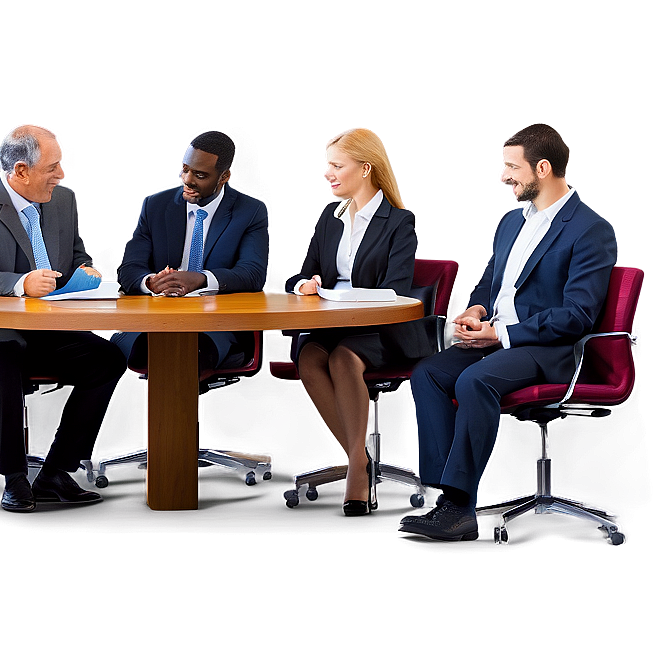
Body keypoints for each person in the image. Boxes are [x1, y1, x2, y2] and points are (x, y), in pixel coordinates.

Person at [400, 123, 618, 541]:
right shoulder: (510, 222)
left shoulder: (591, 229)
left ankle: (459, 509)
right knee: (428, 373)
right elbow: (492, 281)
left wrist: (501, 336)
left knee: (474, 379)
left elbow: (578, 316)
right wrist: (479, 310)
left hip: (549, 349)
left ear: (542, 167)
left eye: (511, 166)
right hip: (497, 337)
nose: (504, 176)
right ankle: (441, 495)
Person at [0, 124, 127, 512]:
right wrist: (20, 283)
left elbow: (77, 253)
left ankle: (56, 472)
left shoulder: (63, 201)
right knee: (5, 351)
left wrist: (87, 271)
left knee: (108, 359)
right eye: (53, 167)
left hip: (50, 326)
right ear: (21, 171)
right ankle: (13, 477)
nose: (60, 176)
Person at [286, 127, 433, 516]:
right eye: (327, 165)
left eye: (336, 165)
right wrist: (306, 284)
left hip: (379, 329)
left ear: (366, 168)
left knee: (342, 359)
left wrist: (343, 296)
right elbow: (300, 274)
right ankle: (361, 459)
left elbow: (395, 289)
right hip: (332, 323)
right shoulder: (329, 217)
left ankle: (356, 471)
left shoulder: (400, 222)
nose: (327, 174)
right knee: (309, 357)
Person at [114, 130, 269, 370]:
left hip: (216, 325)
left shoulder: (250, 211)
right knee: (134, 351)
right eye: (184, 169)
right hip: (156, 321)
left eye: (200, 174)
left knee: (183, 354)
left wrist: (200, 279)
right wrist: (151, 282)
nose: (187, 180)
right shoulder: (155, 205)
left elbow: (253, 273)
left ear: (224, 176)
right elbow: (129, 269)